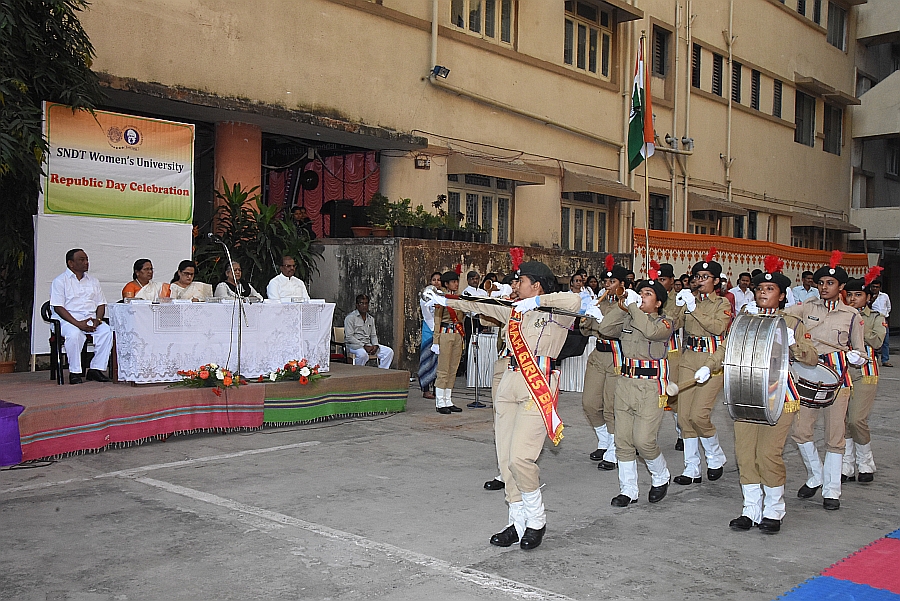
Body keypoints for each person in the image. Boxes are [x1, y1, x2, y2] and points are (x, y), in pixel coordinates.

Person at [426, 261, 580, 550]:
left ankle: (537, 520)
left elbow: (575, 299)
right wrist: (444, 299)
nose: (515, 285)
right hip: (509, 381)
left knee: (522, 458)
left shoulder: (555, 311)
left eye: (521, 281)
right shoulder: (513, 310)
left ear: (536, 285)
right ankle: (517, 522)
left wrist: (535, 302)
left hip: (537, 385)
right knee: (506, 459)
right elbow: (480, 306)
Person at [727, 257, 818, 534]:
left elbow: (812, 357)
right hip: (746, 391)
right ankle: (750, 510)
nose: (763, 293)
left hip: (779, 396)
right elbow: (730, 348)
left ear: (781, 295)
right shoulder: (745, 319)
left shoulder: (791, 322)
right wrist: (709, 366)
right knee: (745, 455)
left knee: (768, 454)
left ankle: (774, 510)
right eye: (760, 288)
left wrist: (792, 344)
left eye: (770, 288)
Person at [785, 251, 866, 510]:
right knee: (800, 431)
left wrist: (858, 358)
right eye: (821, 283)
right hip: (808, 376)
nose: (824, 287)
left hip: (838, 380)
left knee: (835, 436)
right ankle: (815, 475)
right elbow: (782, 314)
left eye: (830, 283)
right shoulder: (807, 307)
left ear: (841, 287)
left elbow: (861, 350)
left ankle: (832, 490)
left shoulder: (852, 316)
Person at [596, 270, 674, 507]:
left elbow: (650, 332)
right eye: (639, 293)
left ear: (658, 302)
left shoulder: (665, 322)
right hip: (626, 383)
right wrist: (622, 308)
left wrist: (634, 309)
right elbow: (606, 329)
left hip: (650, 387)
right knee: (623, 441)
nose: (641, 297)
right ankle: (628, 489)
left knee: (644, 441)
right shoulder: (629, 317)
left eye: (647, 294)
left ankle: (661, 475)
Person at [668, 249, 731, 486]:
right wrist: (677, 304)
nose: (700, 281)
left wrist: (693, 308)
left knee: (699, 415)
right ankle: (692, 468)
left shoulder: (722, 303)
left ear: (716, 281)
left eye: (705, 277)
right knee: (684, 417)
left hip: (711, 358)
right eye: (697, 276)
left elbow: (717, 328)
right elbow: (672, 325)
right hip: (689, 355)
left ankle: (715, 456)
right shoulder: (690, 300)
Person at [580, 255, 627, 469]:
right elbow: (585, 329)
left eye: (612, 282)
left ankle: (615, 447)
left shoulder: (627, 305)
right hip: (598, 353)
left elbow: (616, 330)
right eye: (606, 282)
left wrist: (600, 319)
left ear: (622, 285)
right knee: (590, 403)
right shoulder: (600, 302)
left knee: (611, 407)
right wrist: (586, 316)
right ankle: (604, 440)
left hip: (616, 355)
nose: (607, 286)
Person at [842, 268, 887, 484]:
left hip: (865, 373)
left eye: (858, 295)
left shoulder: (876, 318)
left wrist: (858, 324)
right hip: (842, 372)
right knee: (843, 421)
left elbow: (878, 342)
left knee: (857, 419)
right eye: (849, 295)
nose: (852, 299)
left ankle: (866, 463)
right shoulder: (839, 315)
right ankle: (847, 465)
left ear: (868, 297)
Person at [50, 249, 113, 384]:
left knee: (107, 331)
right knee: (75, 334)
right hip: (66, 320)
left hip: (89, 319)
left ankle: (95, 369)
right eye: (81, 260)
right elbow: (58, 307)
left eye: (86, 259)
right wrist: (78, 324)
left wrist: (98, 320)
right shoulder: (60, 281)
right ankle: (75, 372)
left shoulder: (93, 281)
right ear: (71, 263)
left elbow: (101, 304)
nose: (86, 263)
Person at [657, 262, 684, 451]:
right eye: (657, 279)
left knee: (674, 397)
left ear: (672, 281)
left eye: (663, 279)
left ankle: (682, 433)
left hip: (672, 353)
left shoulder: (679, 299)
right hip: (653, 354)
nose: (660, 283)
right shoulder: (650, 296)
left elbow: (673, 322)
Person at [432, 271, 465, 414]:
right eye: (453, 281)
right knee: (443, 369)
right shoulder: (441, 298)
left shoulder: (458, 298)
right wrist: (435, 340)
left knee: (453, 369)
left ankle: (448, 399)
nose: (456, 284)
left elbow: (461, 317)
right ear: (446, 284)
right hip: (445, 334)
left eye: (457, 281)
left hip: (457, 334)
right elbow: (437, 320)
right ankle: (440, 401)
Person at [343, 294, 394, 369]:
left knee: (389, 352)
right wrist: (363, 345)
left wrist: (375, 345)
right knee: (363, 355)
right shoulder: (350, 318)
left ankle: (381, 373)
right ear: (357, 305)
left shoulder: (370, 319)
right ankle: (357, 373)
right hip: (354, 346)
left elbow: (373, 335)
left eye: (366, 303)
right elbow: (349, 337)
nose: (364, 306)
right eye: (361, 303)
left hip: (368, 345)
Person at [418, 272, 443, 400]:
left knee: (438, 361)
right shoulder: (425, 295)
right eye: (434, 280)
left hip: (440, 329)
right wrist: (435, 329)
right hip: (430, 329)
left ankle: (436, 388)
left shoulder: (443, 296)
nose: (436, 282)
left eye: (439, 280)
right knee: (427, 359)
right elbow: (426, 314)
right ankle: (426, 389)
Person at [869, 279, 892, 367]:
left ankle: (885, 360)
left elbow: (888, 307)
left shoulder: (884, 296)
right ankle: (874, 359)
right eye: (873, 287)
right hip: (872, 320)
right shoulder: (868, 296)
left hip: (882, 320)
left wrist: (885, 316)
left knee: (885, 341)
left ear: (880, 287)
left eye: (877, 287)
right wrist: (871, 300)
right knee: (873, 340)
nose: (875, 289)